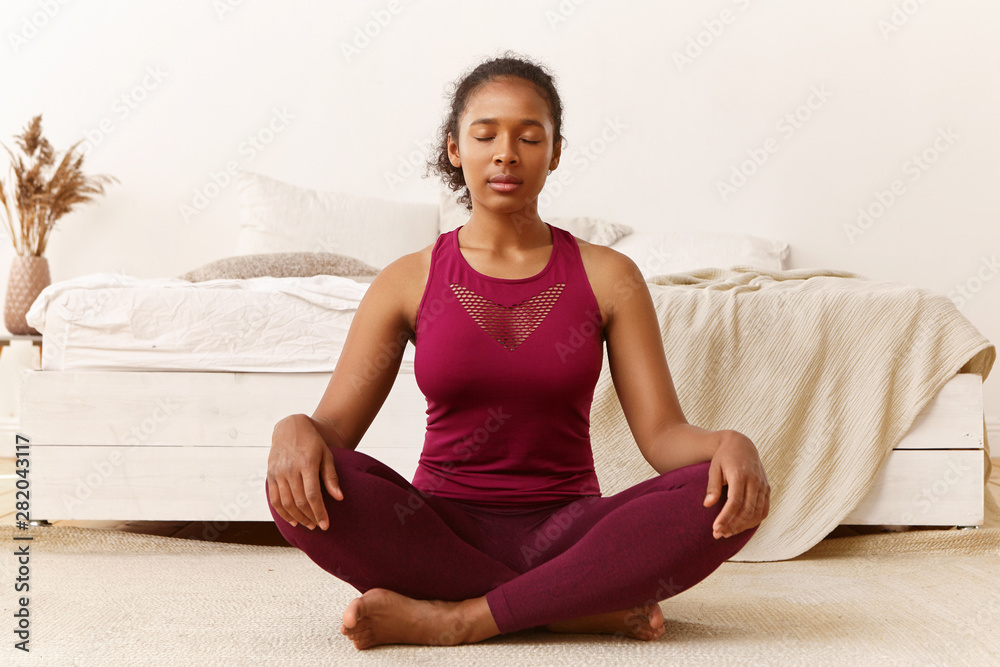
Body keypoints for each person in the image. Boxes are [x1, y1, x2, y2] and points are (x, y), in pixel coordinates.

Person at [265, 52, 770, 651]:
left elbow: (663, 438)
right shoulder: (406, 280)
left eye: (530, 138)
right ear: (455, 149)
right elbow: (335, 434)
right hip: (438, 531)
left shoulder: (611, 276)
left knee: (712, 496)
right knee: (306, 485)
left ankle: (459, 618)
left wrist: (728, 444)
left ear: (554, 154)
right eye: (485, 136)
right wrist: (294, 427)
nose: (506, 152)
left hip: (573, 530)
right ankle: (574, 605)